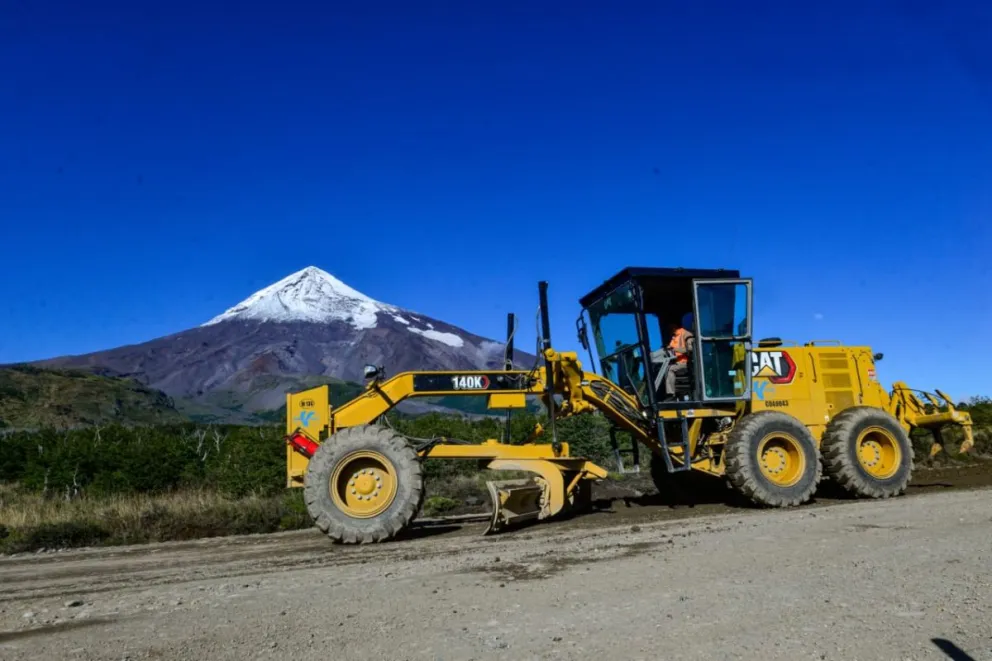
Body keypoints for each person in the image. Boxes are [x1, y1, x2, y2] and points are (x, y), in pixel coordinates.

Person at [663, 313, 694, 400]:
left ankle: (670, 394)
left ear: (674, 325)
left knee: (669, 369)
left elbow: (690, 349)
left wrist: (674, 349)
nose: (668, 328)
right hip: (675, 361)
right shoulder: (674, 336)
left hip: (685, 362)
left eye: (669, 326)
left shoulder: (686, 334)